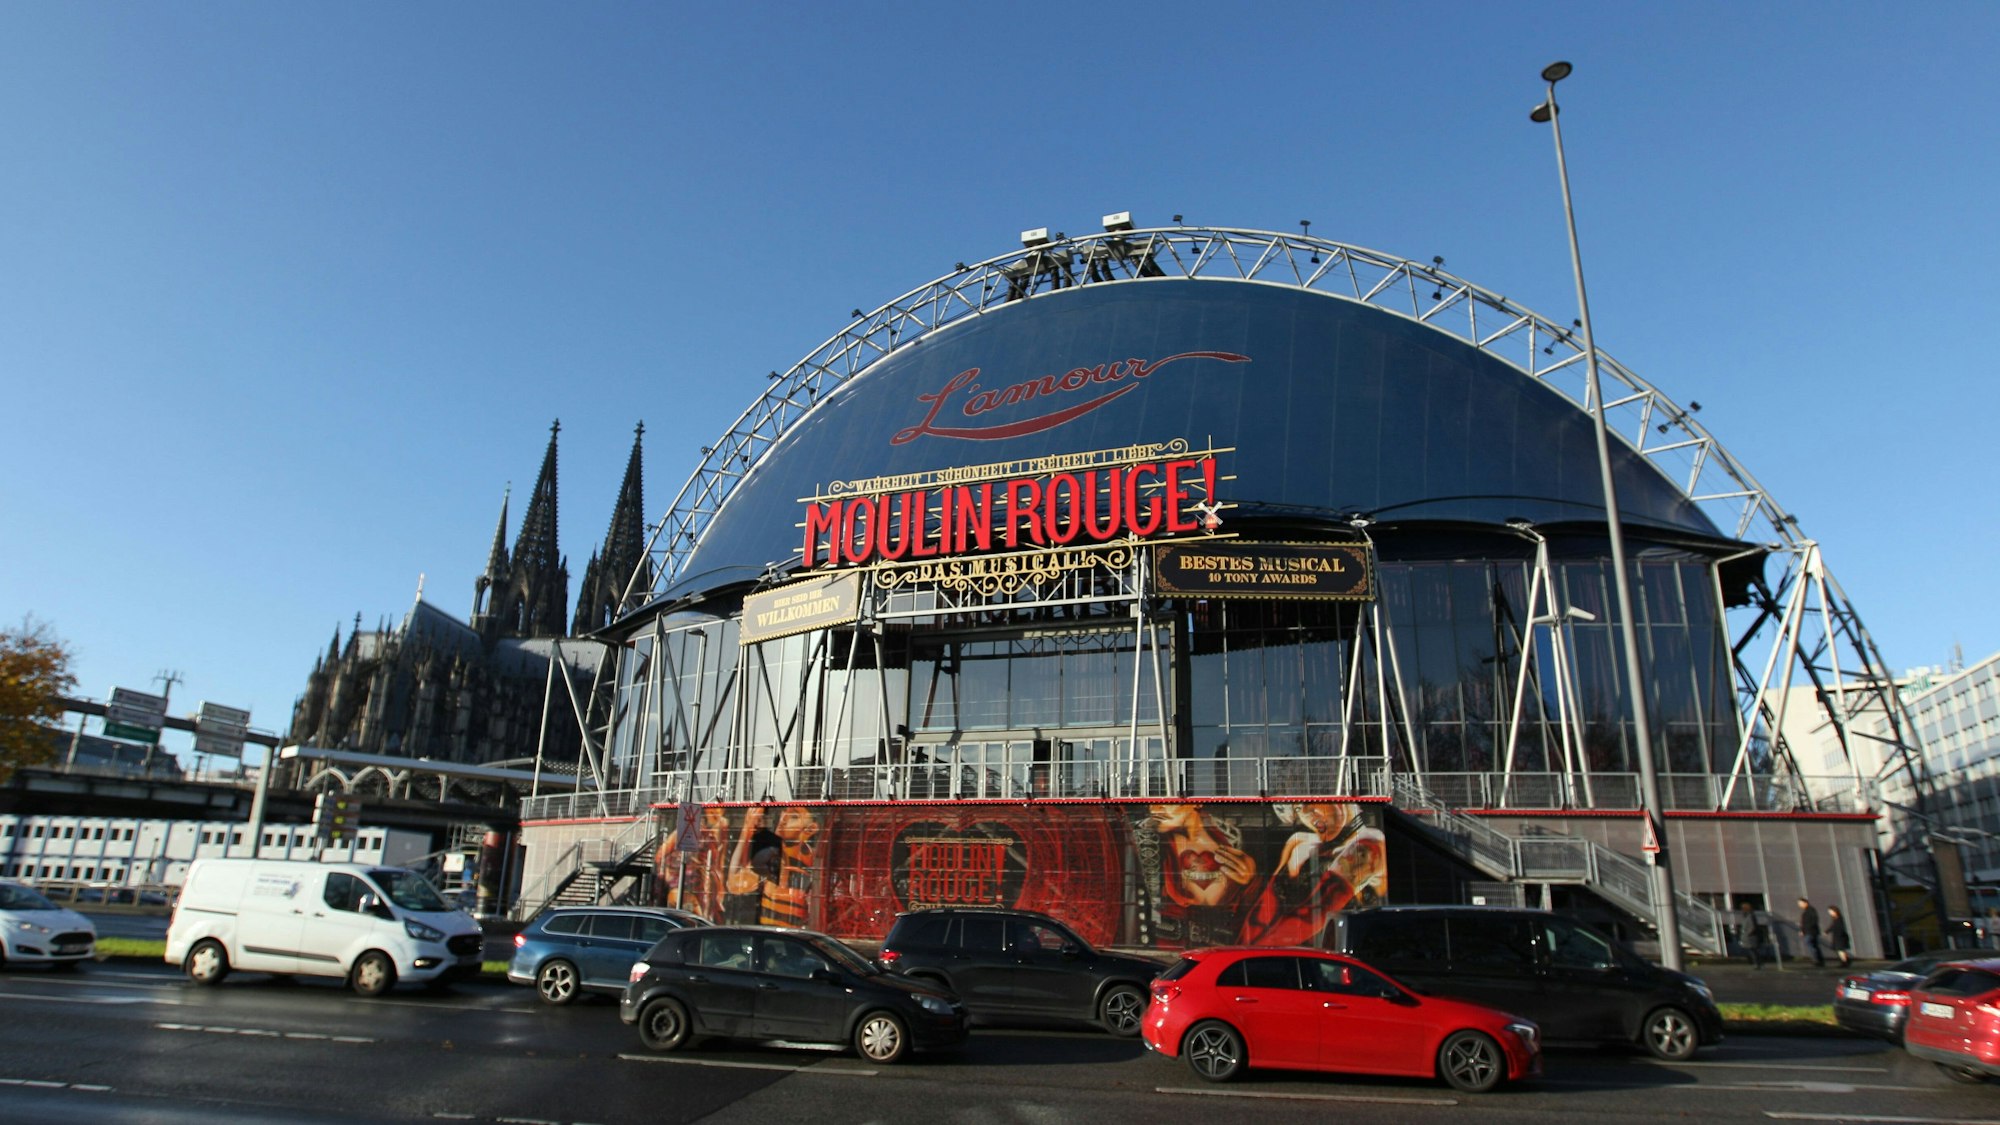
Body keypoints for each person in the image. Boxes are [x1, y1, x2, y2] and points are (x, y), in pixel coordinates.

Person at [1736, 901, 1770, 969]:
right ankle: (1758, 964)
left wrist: (1747, 934)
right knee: (1752, 951)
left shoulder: (1750, 916)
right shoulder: (1747, 916)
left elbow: (1752, 927)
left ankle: (1759, 964)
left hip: (1751, 938)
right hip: (1748, 937)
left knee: (1754, 951)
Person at [1798, 897, 1825, 967]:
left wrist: (1806, 929)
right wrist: (1802, 930)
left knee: (1811, 945)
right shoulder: (1806, 911)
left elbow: (1813, 921)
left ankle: (1817, 960)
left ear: (1805, 903)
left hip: (1811, 931)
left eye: (1800, 903)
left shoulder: (1810, 910)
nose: (1799, 905)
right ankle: (1819, 960)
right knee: (1814, 945)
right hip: (1809, 931)